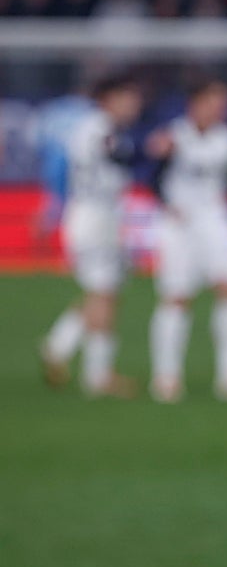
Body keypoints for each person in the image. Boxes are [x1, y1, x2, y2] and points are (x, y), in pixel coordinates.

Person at [147, 78, 227, 403]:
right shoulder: (173, 138)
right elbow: (151, 179)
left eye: (223, 103)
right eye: (214, 102)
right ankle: (166, 378)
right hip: (179, 225)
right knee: (177, 296)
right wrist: (168, 203)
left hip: (214, 222)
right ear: (195, 103)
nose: (220, 109)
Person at [39, 74, 143, 397]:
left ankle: (59, 345)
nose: (135, 104)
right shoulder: (100, 127)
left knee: (105, 291)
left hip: (98, 215)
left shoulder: (90, 127)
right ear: (110, 98)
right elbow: (118, 156)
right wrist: (151, 151)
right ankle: (98, 376)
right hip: (94, 217)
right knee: (103, 294)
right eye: (129, 97)